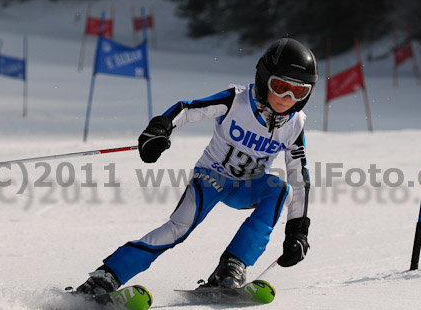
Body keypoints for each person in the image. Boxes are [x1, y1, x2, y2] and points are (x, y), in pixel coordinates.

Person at [76, 38, 317, 295]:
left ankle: (232, 267)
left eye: (297, 92)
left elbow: (299, 176)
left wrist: (297, 231)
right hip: (211, 178)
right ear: (263, 77)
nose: (286, 98)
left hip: (247, 187)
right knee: (178, 229)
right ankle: (107, 276)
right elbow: (187, 109)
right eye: (279, 87)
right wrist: (161, 128)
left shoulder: (295, 124)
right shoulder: (237, 101)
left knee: (281, 189)